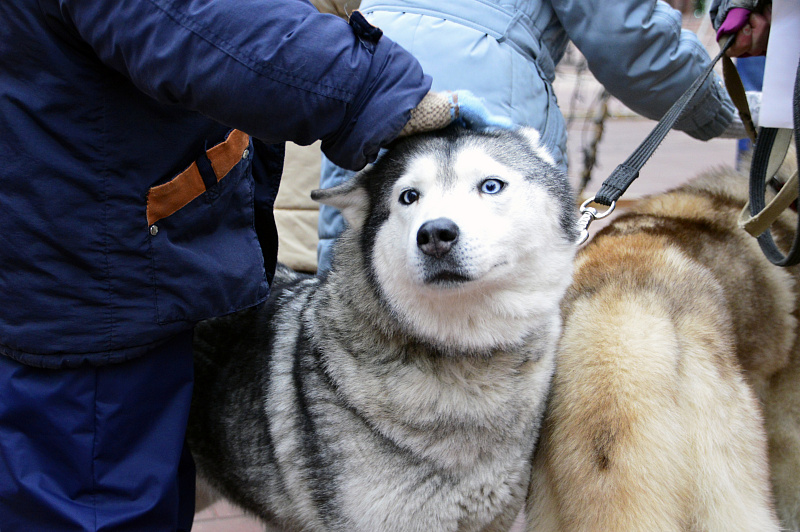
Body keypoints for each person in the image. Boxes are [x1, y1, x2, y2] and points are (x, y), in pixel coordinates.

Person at [0, 1, 504, 530]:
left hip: (95, 260)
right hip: (87, 295)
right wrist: (380, 90)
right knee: (95, 501)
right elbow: (192, 19)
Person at [316, 0, 745, 272]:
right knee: (505, 321)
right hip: (489, 96)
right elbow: (630, 40)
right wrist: (731, 112)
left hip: (368, 75)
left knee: (349, 307)